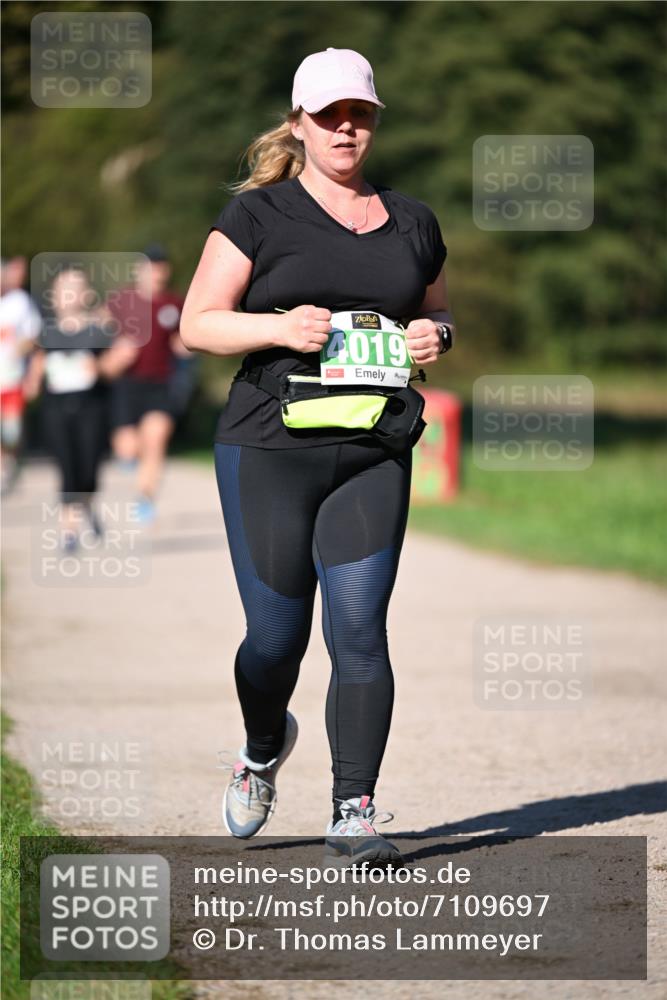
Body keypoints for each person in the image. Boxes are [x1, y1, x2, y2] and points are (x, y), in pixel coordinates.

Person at [181, 48, 456, 866]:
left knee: (360, 631)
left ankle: (354, 809)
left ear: (373, 120)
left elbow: (439, 315)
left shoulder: (413, 220)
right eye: (329, 114)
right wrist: (276, 328)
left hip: (373, 448)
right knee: (274, 639)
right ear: (298, 124)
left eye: (359, 113)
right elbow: (197, 321)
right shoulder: (257, 218)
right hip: (268, 445)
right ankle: (263, 747)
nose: (346, 127)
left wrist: (433, 336)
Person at [24, 267, 119, 551]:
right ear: (53, 297)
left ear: (86, 295)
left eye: (75, 287)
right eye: (63, 288)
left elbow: (115, 368)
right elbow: (38, 361)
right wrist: (32, 379)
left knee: (88, 467)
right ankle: (69, 531)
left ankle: (87, 506)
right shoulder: (45, 332)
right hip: (56, 407)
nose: (69, 294)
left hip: (92, 406)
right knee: (66, 467)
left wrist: (100, 367)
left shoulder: (99, 331)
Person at [107, 245, 190, 523]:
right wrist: (112, 352)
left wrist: (192, 346)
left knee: (155, 439)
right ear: (138, 270)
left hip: (161, 383)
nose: (158, 273)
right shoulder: (119, 302)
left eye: (161, 267)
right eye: (151, 267)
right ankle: (131, 460)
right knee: (128, 448)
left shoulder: (173, 304)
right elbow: (96, 335)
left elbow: (181, 342)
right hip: (127, 384)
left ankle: (145, 497)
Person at [0, 256, 42, 495]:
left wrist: (21, 349)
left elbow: (34, 335)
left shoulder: (19, 302)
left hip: (12, 376)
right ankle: (3, 468)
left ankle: (12, 460)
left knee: (11, 430)